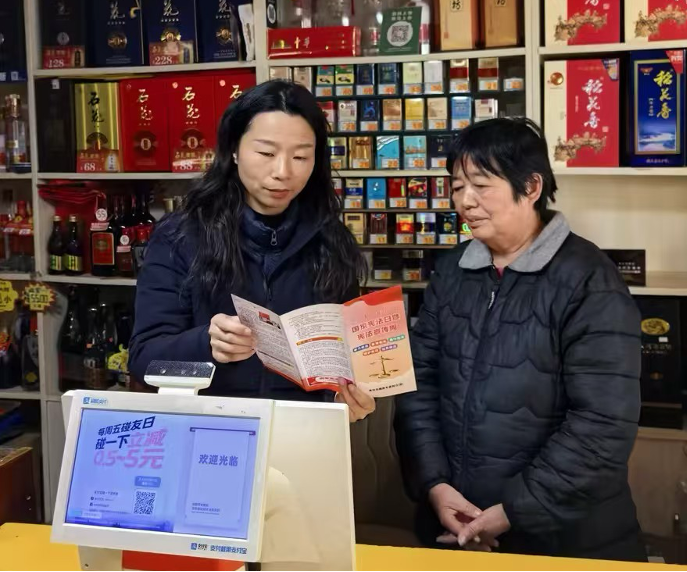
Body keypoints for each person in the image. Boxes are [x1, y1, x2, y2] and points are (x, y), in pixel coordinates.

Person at [395, 118, 644, 560]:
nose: (464, 201)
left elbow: (602, 423)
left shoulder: (589, 280)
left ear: (531, 187)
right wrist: (435, 486)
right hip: (453, 527)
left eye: (480, 185)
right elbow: (418, 384)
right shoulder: (452, 272)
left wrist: (514, 511)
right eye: (457, 186)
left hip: (564, 540)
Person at [129, 80, 375, 422]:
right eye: (266, 154)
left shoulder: (331, 242)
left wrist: (346, 399)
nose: (283, 172)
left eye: (301, 156)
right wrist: (207, 344)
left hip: (303, 433)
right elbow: (143, 359)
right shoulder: (180, 236)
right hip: (210, 429)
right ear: (234, 150)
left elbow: (343, 364)